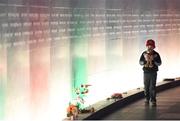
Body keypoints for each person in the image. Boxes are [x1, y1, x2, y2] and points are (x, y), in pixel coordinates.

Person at [139, 39, 162, 106]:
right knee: (146, 86)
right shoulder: (144, 54)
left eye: (151, 45)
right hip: (146, 72)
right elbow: (140, 63)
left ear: (154, 46)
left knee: (152, 87)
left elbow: (159, 63)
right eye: (148, 45)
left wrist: (153, 59)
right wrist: (145, 60)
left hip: (153, 72)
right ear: (147, 46)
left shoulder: (156, 54)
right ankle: (146, 99)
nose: (150, 47)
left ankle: (153, 100)